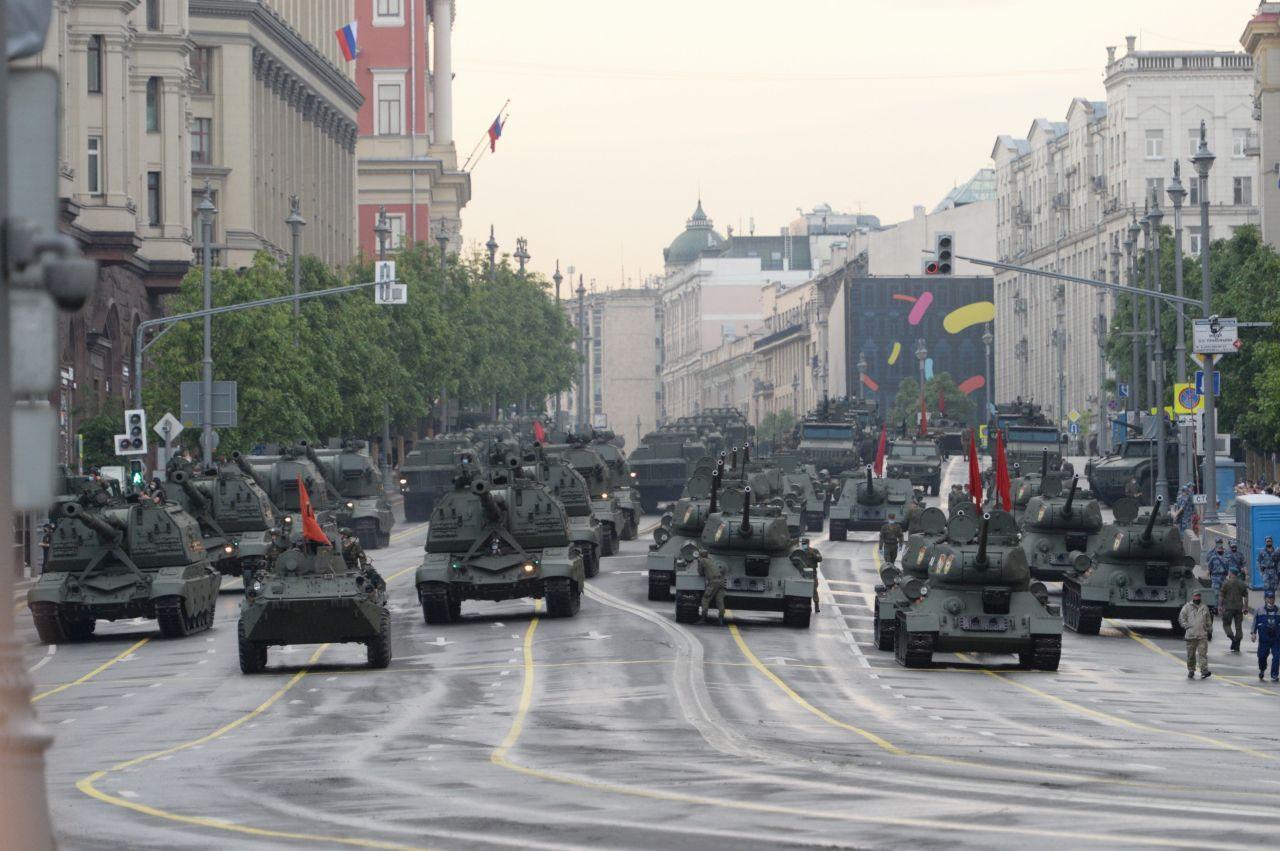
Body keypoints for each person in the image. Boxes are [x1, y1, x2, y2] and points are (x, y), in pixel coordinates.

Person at [1178, 590, 1213, 679]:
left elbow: (1208, 620)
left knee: (1203, 654)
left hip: (1202, 635)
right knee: (1191, 655)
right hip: (1191, 635)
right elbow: (1181, 617)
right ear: (1192, 597)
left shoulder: (1204, 607)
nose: (1197, 598)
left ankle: (1204, 670)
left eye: (1198, 596)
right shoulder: (1187, 607)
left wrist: (1209, 630)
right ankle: (1191, 670)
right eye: (1195, 596)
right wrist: (1186, 626)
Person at [1251, 590, 1280, 682]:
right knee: (1262, 656)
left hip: (1276, 639)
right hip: (1264, 639)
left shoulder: (1279, 610)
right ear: (1265, 599)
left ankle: (1274, 674)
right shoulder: (1259, 610)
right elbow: (1255, 623)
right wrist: (1253, 633)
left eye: (1272, 598)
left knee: (1277, 657)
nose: (1271, 600)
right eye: (1269, 598)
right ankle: (1262, 669)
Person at [1219, 568, 1250, 652]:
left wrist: (1220, 606)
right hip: (1238, 608)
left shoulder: (1226, 583)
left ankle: (1233, 639)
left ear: (1230, 573)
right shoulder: (1242, 583)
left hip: (1228, 608)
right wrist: (1246, 607)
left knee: (1226, 625)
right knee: (1238, 627)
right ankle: (1237, 644)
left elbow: (1221, 595)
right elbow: (1246, 597)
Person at [696, 545, 726, 625]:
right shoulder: (711, 560)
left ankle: (703, 619)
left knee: (705, 599)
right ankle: (720, 620)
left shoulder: (702, 561)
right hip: (721, 581)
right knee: (720, 601)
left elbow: (700, 572)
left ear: (700, 555)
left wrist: (698, 562)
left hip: (713, 582)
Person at [798, 538, 822, 613]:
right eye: (803, 543)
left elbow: (820, 558)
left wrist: (813, 554)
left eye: (805, 544)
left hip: (812, 573)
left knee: (814, 589)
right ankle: (805, 606)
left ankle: (816, 606)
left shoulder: (814, 551)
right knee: (802, 590)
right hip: (802, 573)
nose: (804, 545)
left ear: (808, 544)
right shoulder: (799, 551)